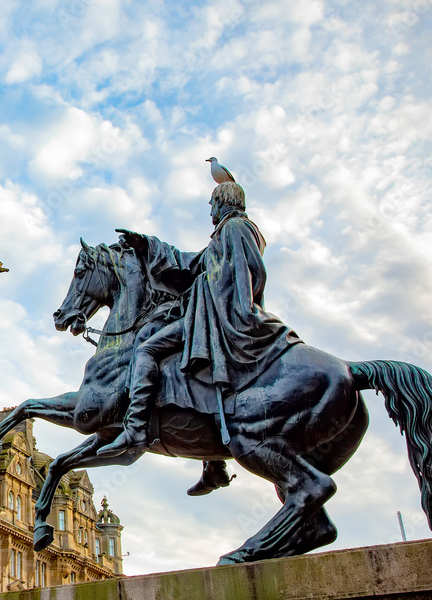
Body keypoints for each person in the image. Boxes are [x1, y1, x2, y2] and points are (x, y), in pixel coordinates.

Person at [98, 182, 300, 494]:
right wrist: (147, 244)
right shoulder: (228, 233)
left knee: (149, 348)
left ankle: (136, 427)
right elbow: (193, 264)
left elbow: (243, 273)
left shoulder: (235, 228)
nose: (209, 210)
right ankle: (212, 462)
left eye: (211, 204)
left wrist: (240, 309)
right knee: (170, 353)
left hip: (219, 314)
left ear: (223, 202)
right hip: (212, 310)